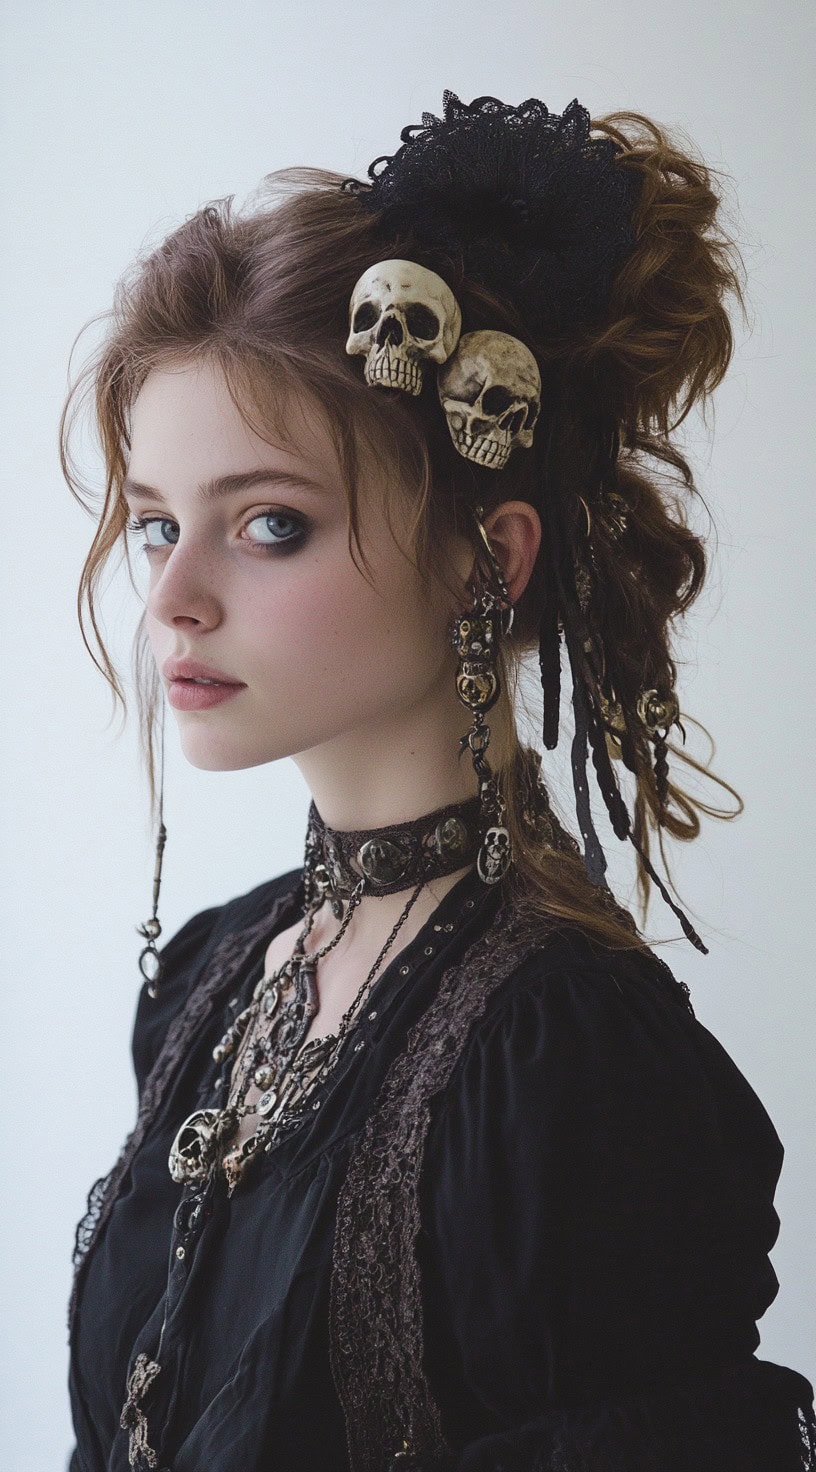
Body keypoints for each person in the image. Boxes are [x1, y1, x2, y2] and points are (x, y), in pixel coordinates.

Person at [61, 92, 815, 1471]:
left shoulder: (560, 1059)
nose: (171, 596)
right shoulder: (215, 977)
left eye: (268, 524)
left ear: (489, 557)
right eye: (159, 523)